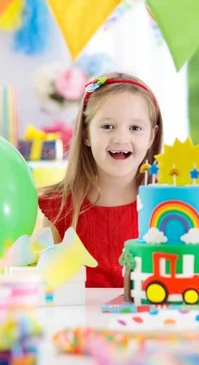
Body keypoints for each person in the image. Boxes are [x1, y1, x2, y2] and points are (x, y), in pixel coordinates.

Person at [38, 72, 163, 288]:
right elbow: (48, 288)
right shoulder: (58, 209)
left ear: (151, 136)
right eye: (107, 126)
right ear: (86, 134)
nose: (121, 138)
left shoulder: (167, 206)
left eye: (135, 128)